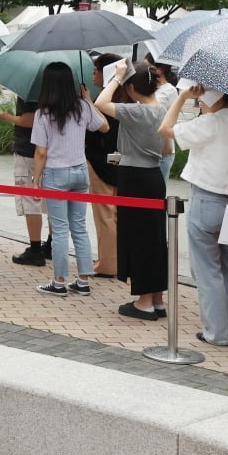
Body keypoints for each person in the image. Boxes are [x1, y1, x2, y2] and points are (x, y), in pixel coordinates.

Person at [159, 86, 228, 346]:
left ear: (210, 98)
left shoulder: (209, 122)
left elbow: (166, 129)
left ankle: (217, 333)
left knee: (207, 271)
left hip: (207, 199)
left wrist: (181, 97)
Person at [95, 62, 169, 320]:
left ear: (131, 88)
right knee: (155, 237)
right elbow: (168, 150)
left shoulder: (136, 113)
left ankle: (144, 302)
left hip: (134, 178)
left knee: (139, 238)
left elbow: (100, 104)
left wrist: (115, 78)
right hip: (154, 176)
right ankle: (158, 299)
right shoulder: (163, 111)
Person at [30, 64, 108, 296]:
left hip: (56, 173)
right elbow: (103, 126)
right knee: (79, 228)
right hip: (79, 171)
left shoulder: (43, 114)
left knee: (60, 230)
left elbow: (41, 152)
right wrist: (89, 101)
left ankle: (59, 282)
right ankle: (83, 281)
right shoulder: (82, 107)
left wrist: (36, 180)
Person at [0, 97, 49, 266]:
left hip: (29, 151)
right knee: (51, 202)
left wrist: (8, 117)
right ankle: (51, 245)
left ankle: (35, 250)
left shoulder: (31, 90)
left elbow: (31, 119)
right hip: (53, 152)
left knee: (31, 202)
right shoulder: (57, 87)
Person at [86, 54, 123, 277]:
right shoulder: (125, 96)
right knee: (116, 213)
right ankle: (117, 260)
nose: (93, 74)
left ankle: (108, 263)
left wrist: (88, 102)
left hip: (100, 161)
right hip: (119, 162)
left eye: (96, 70)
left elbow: (102, 127)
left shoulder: (103, 100)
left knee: (105, 215)